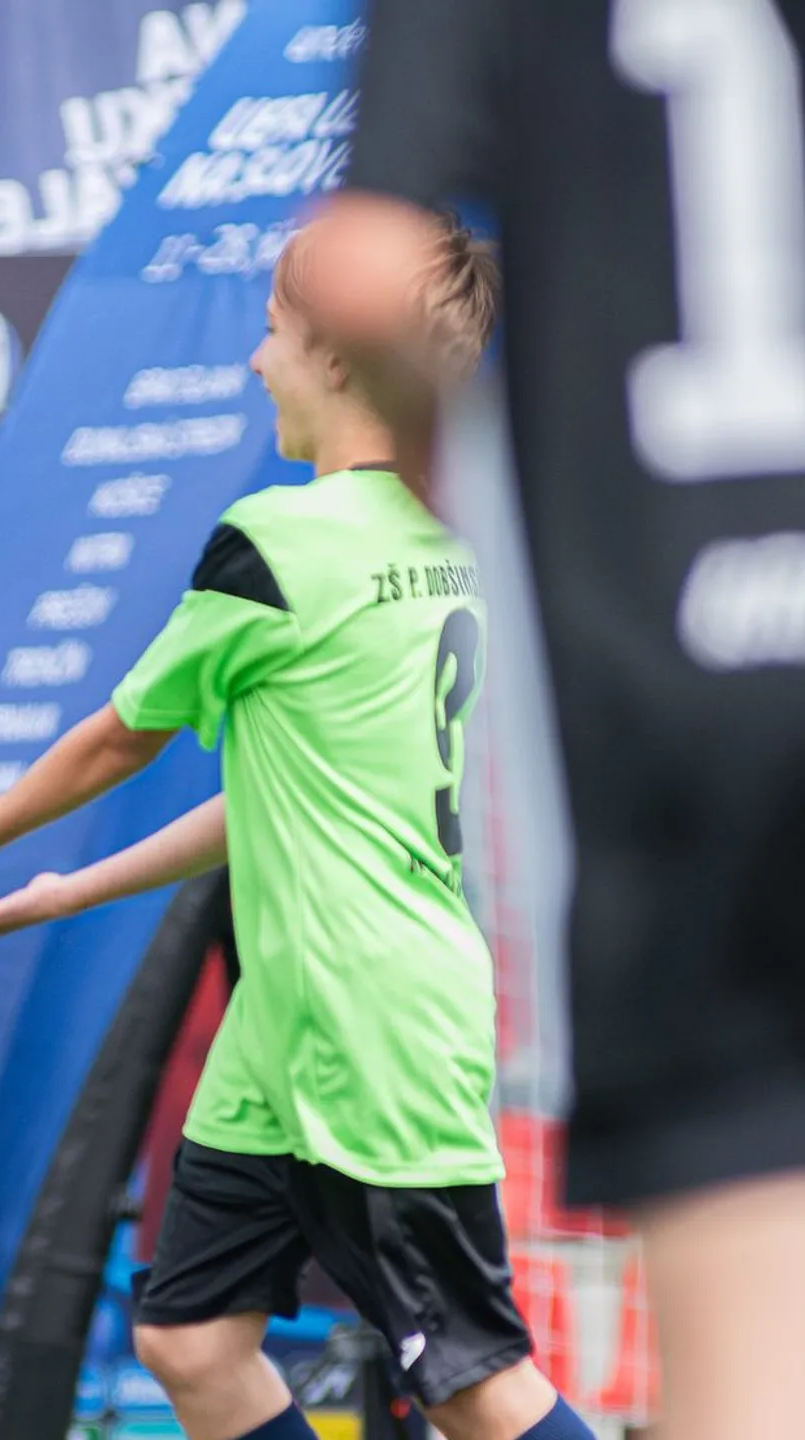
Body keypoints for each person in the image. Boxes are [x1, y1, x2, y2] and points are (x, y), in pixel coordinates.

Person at [0, 221, 594, 1440]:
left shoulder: (279, 543)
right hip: (288, 1033)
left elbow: (118, 741)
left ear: (335, 357)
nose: (254, 361)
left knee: (477, 1384)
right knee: (187, 1338)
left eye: (274, 331)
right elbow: (288, 796)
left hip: (373, 1030)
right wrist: (67, 891)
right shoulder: (445, 547)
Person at [290, 6, 805, 1437]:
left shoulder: (279, 564)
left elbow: (369, 260)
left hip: (683, 683)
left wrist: (443, 452)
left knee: (749, 1345)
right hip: (371, 1034)